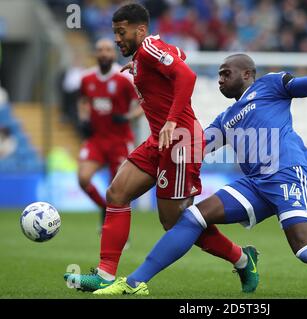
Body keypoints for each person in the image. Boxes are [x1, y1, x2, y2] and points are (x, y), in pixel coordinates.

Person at [95, 29, 307, 297]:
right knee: (194, 217)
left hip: (288, 171)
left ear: (247, 73)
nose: (221, 78)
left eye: (227, 73)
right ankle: (135, 282)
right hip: (254, 184)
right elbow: (194, 145)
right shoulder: (225, 118)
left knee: (306, 250)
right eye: (220, 74)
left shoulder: (271, 85)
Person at [65, 3, 258, 293]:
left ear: (140, 30)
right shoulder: (148, 51)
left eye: (121, 32)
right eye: (115, 32)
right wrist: (142, 68)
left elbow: (187, 76)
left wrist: (170, 121)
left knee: (176, 223)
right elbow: (179, 55)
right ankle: (105, 274)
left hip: (180, 140)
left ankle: (243, 259)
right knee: (117, 193)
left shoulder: (150, 49)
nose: (117, 39)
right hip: (159, 139)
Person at [76, 38, 142, 230]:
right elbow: (82, 101)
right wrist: (84, 118)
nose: (104, 53)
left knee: (119, 190)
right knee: (83, 178)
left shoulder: (124, 78)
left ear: (113, 54)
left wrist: (128, 117)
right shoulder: (86, 78)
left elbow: (143, 104)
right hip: (96, 139)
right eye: (100, 50)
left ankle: (120, 231)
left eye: (107, 50)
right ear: (96, 54)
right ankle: (104, 208)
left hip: (120, 141)